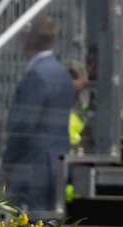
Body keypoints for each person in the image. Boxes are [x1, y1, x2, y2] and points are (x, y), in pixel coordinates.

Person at [4, 22, 75, 217]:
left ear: (27, 40)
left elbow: (23, 125)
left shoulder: (36, 74)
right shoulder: (62, 72)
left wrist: (8, 162)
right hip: (56, 164)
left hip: (32, 166)